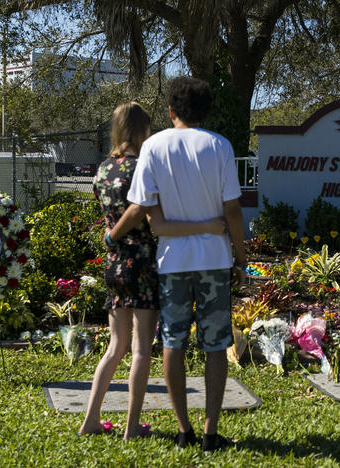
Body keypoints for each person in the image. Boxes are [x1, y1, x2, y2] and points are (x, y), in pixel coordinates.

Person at [106, 77, 246, 453]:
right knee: (216, 345)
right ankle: (210, 431)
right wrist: (241, 257)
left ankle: (183, 428)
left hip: (171, 262)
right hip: (215, 259)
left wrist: (112, 236)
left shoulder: (153, 146)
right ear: (206, 111)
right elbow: (232, 209)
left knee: (173, 342)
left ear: (171, 111)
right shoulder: (220, 146)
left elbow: (142, 209)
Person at [78, 101, 226, 440]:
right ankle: (131, 427)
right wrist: (207, 226)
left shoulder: (102, 169)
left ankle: (90, 419)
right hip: (142, 263)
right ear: (142, 129)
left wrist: (112, 236)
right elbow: (155, 222)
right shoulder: (141, 166)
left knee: (115, 347)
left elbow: (114, 215)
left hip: (114, 263)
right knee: (142, 349)